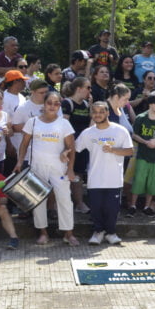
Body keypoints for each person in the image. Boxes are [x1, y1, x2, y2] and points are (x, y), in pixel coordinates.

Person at [18, 90, 78, 246]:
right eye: (49, 103)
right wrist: (19, 162)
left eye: (56, 103)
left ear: (60, 105)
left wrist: (70, 168)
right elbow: (24, 144)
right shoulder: (33, 122)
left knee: (64, 199)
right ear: (43, 104)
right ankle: (43, 233)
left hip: (59, 168)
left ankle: (68, 233)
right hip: (37, 167)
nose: (52, 106)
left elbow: (71, 147)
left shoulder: (64, 123)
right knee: (38, 200)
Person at [77, 102, 134, 245]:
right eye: (94, 112)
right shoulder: (88, 133)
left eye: (101, 111)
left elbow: (130, 151)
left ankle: (111, 233)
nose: (97, 114)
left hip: (114, 179)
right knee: (96, 208)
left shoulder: (120, 131)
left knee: (112, 209)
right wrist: (65, 153)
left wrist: (113, 150)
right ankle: (98, 232)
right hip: (95, 178)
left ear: (108, 113)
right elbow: (75, 148)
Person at [128, 92, 155, 217]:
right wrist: (145, 142)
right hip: (143, 155)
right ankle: (133, 205)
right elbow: (134, 134)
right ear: (150, 104)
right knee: (139, 180)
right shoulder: (141, 117)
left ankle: (147, 206)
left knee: (152, 183)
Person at [62, 77, 93, 213]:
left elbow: (91, 124)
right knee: (66, 173)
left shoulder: (86, 104)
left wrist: (91, 106)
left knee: (78, 174)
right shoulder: (67, 103)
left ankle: (79, 203)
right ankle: (63, 204)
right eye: (88, 87)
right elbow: (64, 124)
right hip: (69, 145)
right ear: (79, 89)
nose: (90, 91)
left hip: (82, 145)